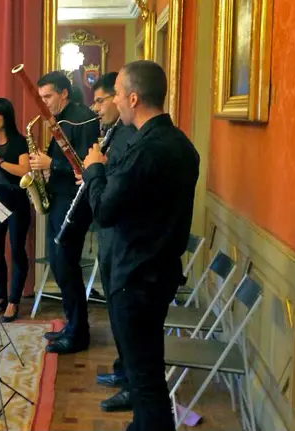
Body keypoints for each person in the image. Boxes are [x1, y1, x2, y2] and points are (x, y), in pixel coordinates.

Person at [81, 60, 200, 431]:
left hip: (136, 276)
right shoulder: (181, 143)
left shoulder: (146, 149)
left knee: (144, 381)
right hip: (159, 271)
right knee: (146, 374)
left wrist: (94, 169)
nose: (114, 102)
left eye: (116, 95)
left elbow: (104, 210)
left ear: (133, 97)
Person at [30, 71, 100, 354]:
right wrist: (46, 170)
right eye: (41, 98)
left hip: (74, 202)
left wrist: (51, 164)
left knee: (66, 267)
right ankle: (72, 325)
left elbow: (85, 168)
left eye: (48, 97)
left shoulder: (81, 118)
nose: (44, 103)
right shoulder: (60, 119)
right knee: (60, 267)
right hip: (59, 198)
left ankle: (78, 333)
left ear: (64, 93)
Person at [89, 71, 137, 413]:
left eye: (103, 99)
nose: (98, 107)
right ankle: (123, 371)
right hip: (111, 235)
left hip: (122, 235)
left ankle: (133, 385)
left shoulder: (132, 138)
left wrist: (96, 172)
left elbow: (117, 187)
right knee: (115, 311)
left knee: (125, 316)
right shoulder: (116, 132)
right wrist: (93, 171)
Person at [0, 98, 32, 322]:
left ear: (5, 117)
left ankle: (14, 300)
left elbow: (24, 170)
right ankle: (0, 296)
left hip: (17, 200)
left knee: (16, 249)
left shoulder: (20, 141)